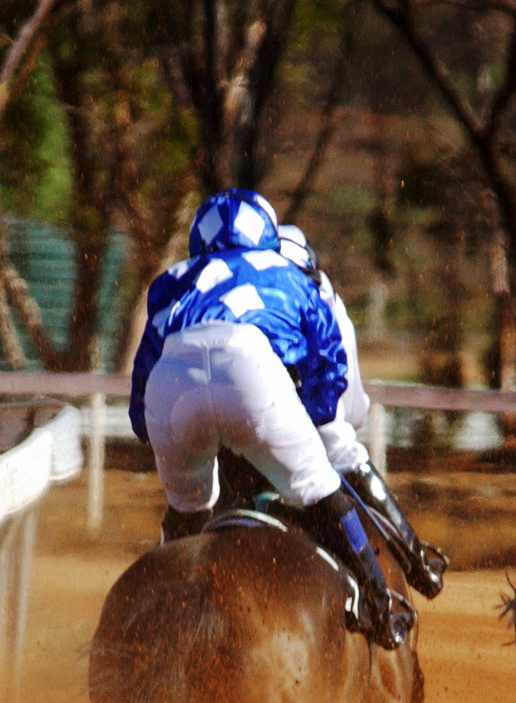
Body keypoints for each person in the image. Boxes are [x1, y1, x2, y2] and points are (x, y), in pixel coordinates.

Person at [129, 189, 416, 649]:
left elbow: (143, 373)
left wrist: (150, 430)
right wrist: (317, 419)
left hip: (172, 386)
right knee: (321, 486)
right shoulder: (291, 274)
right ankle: (381, 606)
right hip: (248, 375)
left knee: (187, 513)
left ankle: (158, 617)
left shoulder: (170, 281)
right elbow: (329, 360)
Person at [277, 223, 447, 598]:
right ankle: (417, 564)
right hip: (310, 448)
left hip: (232, 443)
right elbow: (351, 409)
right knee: (342, 446)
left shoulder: (225, 286)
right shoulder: (325, 299)